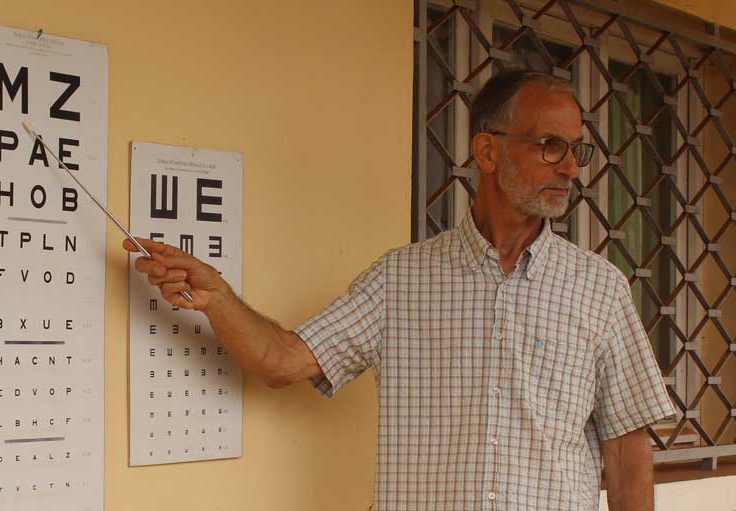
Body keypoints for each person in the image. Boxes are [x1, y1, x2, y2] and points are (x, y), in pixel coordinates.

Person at [125, 69, 675, 511]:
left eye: (577, 150)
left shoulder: (599, 289)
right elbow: (282, 360)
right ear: (488, 152)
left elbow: (627, 448)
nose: (571, 169)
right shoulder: (400, 281)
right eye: (551, 146)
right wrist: (217, 296)